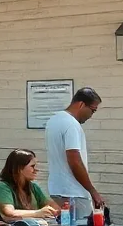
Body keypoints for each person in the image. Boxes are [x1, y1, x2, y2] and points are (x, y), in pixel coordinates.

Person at [45, 87, 104, 218]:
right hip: (74, 192)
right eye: (92, 110)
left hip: (57, 189)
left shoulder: (53, 121)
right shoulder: (71, 124)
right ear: (81, 104)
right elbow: (75, 161)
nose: (91, 116)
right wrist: (93, 191)